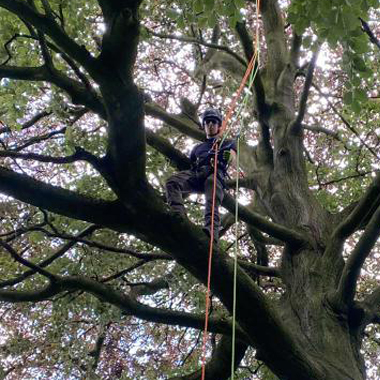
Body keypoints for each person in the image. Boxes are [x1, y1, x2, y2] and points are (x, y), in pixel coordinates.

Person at [165, 108, 236, 242]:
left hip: (215, 174)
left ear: (219, 126)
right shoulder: (197, 148)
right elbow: (190, 165)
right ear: (203, 126)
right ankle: (178, 216)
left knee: (212, 186)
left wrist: (228, 157)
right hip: (197, 173)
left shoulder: (227, 143)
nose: (210, 125)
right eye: (207, 122)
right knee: (172, 182)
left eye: (214, 122)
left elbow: (234, 159)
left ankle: (211, 231)